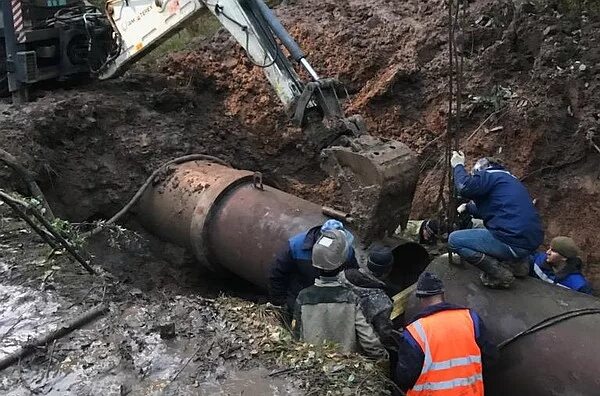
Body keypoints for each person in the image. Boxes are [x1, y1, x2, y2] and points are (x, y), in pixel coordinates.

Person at [448, 153, 544, 288]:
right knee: (485, 226)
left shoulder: (489, 175)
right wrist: (468, 208)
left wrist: (458, 165)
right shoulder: (510, 180)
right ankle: (517, 264)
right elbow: (498, 210)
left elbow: (464, 187)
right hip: (529, 241)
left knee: (455, 240)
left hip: (512, 239)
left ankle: (498, 274)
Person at [395, 272, 497, 395]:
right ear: (443, 294)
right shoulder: (470, 318)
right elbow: (491, 356)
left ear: (421, 298)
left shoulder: (415, 331)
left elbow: (405, 376)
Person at [292, 229, 388, 359]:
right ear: (342, 263)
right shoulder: (351, 298)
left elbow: (297, 335)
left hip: (313, 364)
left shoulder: (303, 297)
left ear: (314, 264)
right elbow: (368, 340)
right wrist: (383, 357)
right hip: (343, 363)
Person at [269, 219, 358, 312]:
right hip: (299, 300)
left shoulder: (345, 250)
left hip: (329, 303)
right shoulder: (295, 247)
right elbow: (277, 274)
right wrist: (280, 302)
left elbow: (353, 274)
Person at [338, 245, 396, 351]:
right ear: (388, 270)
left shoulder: (343, 276)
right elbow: (383, 334)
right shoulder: (383, 303)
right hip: (355, 346)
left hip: (333, 331)